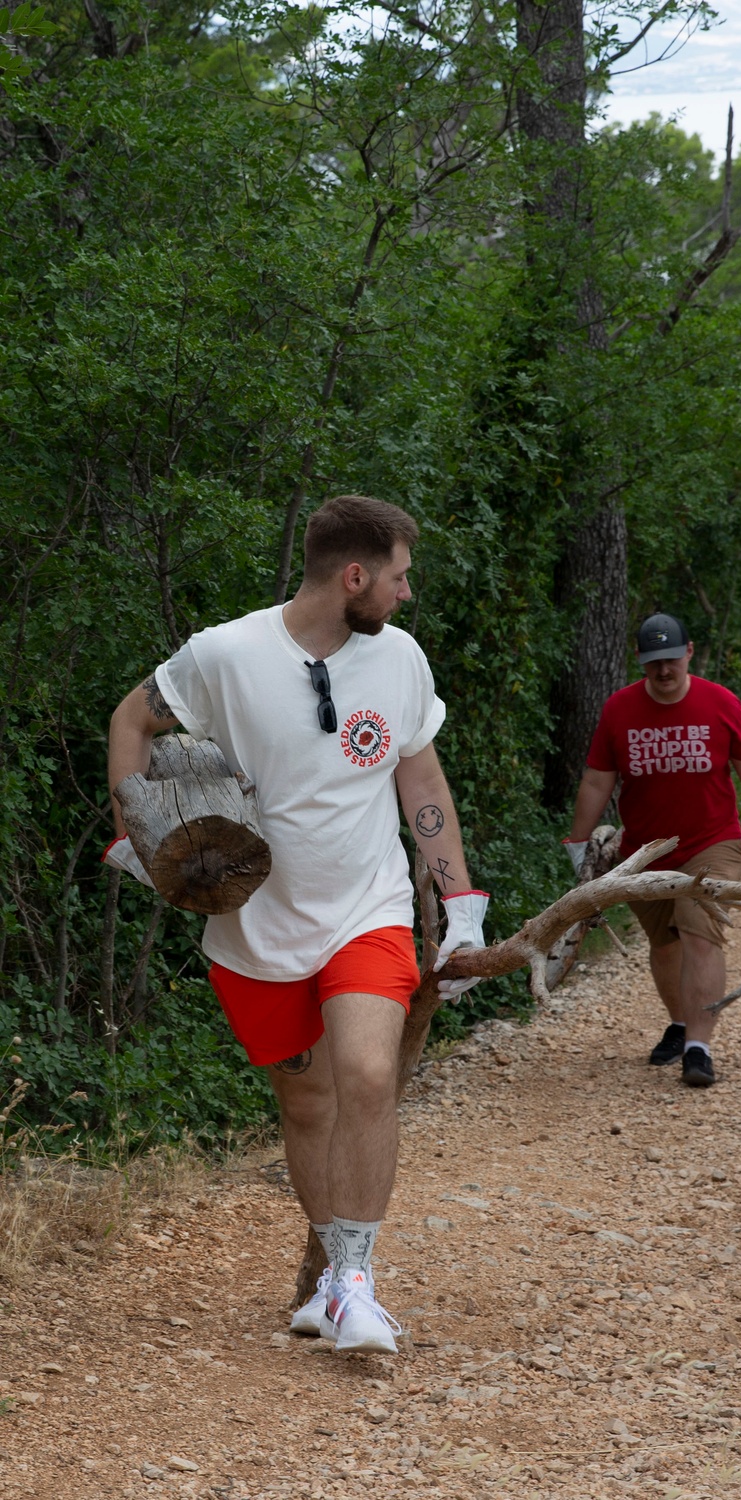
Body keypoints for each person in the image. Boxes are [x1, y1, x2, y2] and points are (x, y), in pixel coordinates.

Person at [105, 494, 488, 1350]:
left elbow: (420, 785)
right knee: (307, 1102)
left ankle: (353, 1282)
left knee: (366, 1072)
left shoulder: (401, 660)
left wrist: (460, 905)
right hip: (253, 925)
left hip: (369, 907)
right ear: (353, 576)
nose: (405, 594)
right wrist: (138, 834)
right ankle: (330, 1286)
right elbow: (131, 720)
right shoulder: (225, 654)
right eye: (397, 577)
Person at [564, 612, 741, 1087]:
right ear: (641, 661)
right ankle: (680, 1024)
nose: (664, 671)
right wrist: (579, 843)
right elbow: (598, 779)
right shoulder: (619, 709)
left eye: (672, 660)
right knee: (665, 943)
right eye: (654, 662)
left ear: (689, 653)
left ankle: (699, 1047)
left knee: (699, 933)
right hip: (645, 851)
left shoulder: (721, 703)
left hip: (711, 842)